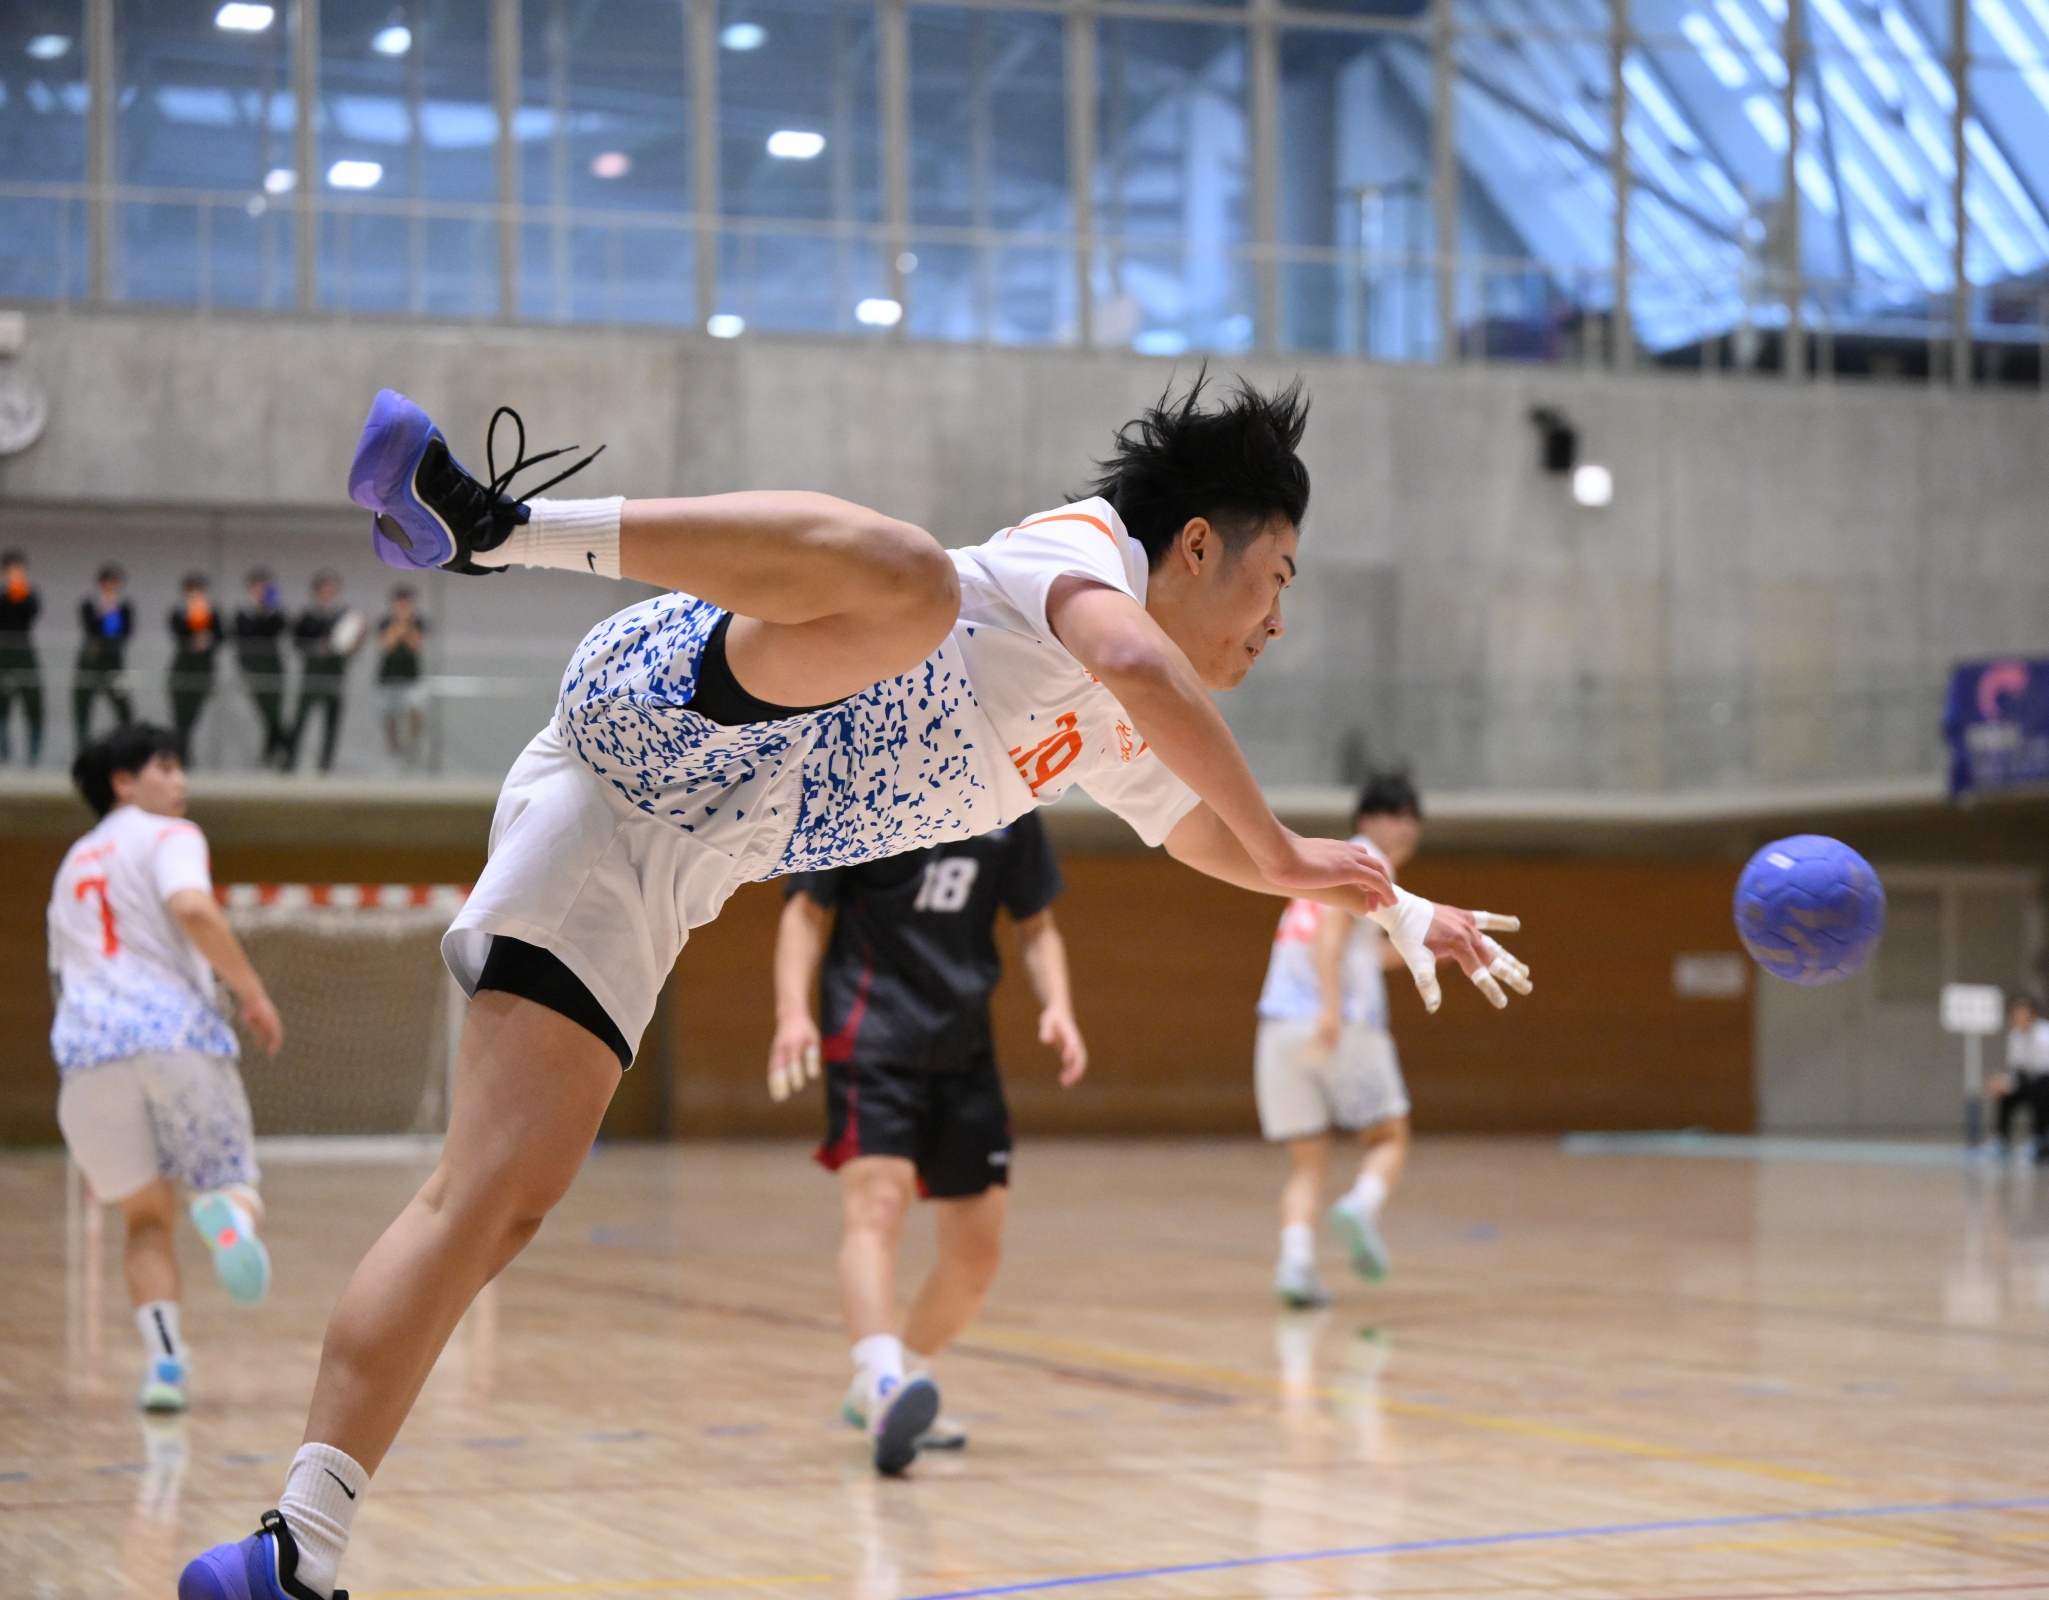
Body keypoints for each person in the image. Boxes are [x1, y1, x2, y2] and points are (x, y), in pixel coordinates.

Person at [181, 380, 1529, 1600]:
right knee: (914, 582)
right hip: (674, 702)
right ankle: (495, 526)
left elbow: (1200, 833)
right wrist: (1293, 850)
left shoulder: (1122, 727)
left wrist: (1390, 900)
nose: (1280, 619)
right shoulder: (1079, 558)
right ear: (1192, 547)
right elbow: (1142, 670)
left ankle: (295, 1547)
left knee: (492, 1200)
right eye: (1275, 577)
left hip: (654, 850)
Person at [770, 810, 1082, 1474]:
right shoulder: (861, 779)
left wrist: (1057, 1004)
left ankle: (901, 1380)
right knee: (876, 1207)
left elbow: (1036, 925)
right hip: (872, 1032)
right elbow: (805, 910)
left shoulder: (1013, 801)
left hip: (964, 1046)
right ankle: (882, 1379)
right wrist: (792, 1012)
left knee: (977, 1251)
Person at [48, 725, 285, 1415]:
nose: (181, 781)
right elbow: (191, 906)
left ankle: (165, 1366)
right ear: (124, 782)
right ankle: (227, 1214)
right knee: (229, 1183)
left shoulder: (70, 865)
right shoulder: (170, 836)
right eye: (166, 766)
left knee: (146, 1220)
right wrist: (251, 991)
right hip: (171, 1039)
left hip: (88, 1061)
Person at [1253, 772, 1420, 1308]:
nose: (1408, 827)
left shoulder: (1323, 861)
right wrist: (1330, 1008)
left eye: (1414, 817)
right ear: (1366, 820)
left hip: (1279, 1028)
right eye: (1395, 814)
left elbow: (1357, 952)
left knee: (1308, 1161)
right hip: (1339, 1023)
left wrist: (1422, 953)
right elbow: (1330, 934)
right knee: (1388, 1137)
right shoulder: (1367, 862)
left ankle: (1295, 1263)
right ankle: (1361, 1207)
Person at [1986, 994, 2049, 1160]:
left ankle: (2040, 1138)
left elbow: (2048, 1070)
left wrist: (2012, 1082)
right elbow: (2018, 1070)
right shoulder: (2015, 1036)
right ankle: (2001, 1140)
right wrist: (2003, 1082)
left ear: (2033, 1014)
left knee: (2041, 1090)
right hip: (2035, 1083)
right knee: (2007, 1095)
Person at [287, 572, 360, 773]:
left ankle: (326, 763)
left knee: (332, 721)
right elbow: (297, 642)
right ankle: (290, 760)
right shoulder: (307, 616)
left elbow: (351, 645)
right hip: (312, 675)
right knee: (301, 719)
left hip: (334, 675)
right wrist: (317, 648)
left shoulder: (344, 616)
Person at [234, 569, 292, 768]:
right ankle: (287, 747)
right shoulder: (243, 614)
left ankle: (272, 755)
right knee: (268, 714)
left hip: (273, 669)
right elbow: (244, 635)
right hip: (253, 669)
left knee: (274, 713)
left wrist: (272, 607)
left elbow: (281, 628)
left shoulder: (275, 614)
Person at [73, 563, 134, 747]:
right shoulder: (90, 604)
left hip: (113, 661)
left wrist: (113, 611)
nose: (111, 585)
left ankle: (126, 744)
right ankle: (82, 745)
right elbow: (90, 628)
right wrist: (102, 612)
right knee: (83, 703)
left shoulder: (124, 606)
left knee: (122, 705)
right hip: (91, 660)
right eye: (108, 581)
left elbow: (126, 632)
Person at [167, 572, 224, 748]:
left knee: (194, 716)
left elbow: (221, 636)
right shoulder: (179, 613)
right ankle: (180, 749)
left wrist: (208, 638)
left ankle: (184, 748)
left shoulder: (212, 613)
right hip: (183, 670)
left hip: (203, 670)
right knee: (180, 717)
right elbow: (178, 632)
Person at [376, 586, 428, 768]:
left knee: (415, 710)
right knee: (388, 715)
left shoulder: (418, 622)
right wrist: (399, 625)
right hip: (388, 677)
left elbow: (415, 645)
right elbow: (387, 645)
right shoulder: (385, 622)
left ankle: (412, 746)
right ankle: (394, 749)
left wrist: (406, 626)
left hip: (411, 677)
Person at [0, 549, 43, 764]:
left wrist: (20, 592)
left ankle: (33, 754)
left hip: (24, 651)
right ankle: (4, 753)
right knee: (2, 705)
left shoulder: (28, 594)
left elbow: (31, 614)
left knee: (33, 701)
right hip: (2, 651)